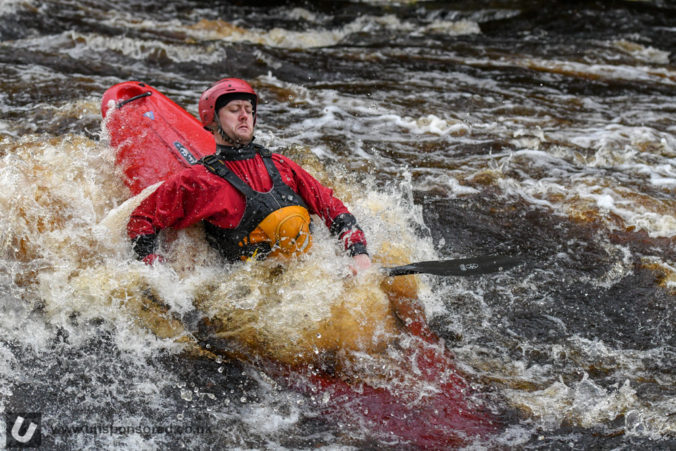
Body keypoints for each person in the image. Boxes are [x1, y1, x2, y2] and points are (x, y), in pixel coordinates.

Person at [127, 77, 372, 274]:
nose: (245, 115)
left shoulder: (281, 165)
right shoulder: (199, 181)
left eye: (249, 110)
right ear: (212, 120)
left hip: (308, 280)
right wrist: (155, 271)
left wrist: (358, 253)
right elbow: (141, 220)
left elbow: (332, 208)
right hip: (247, 296)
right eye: (234, 110)